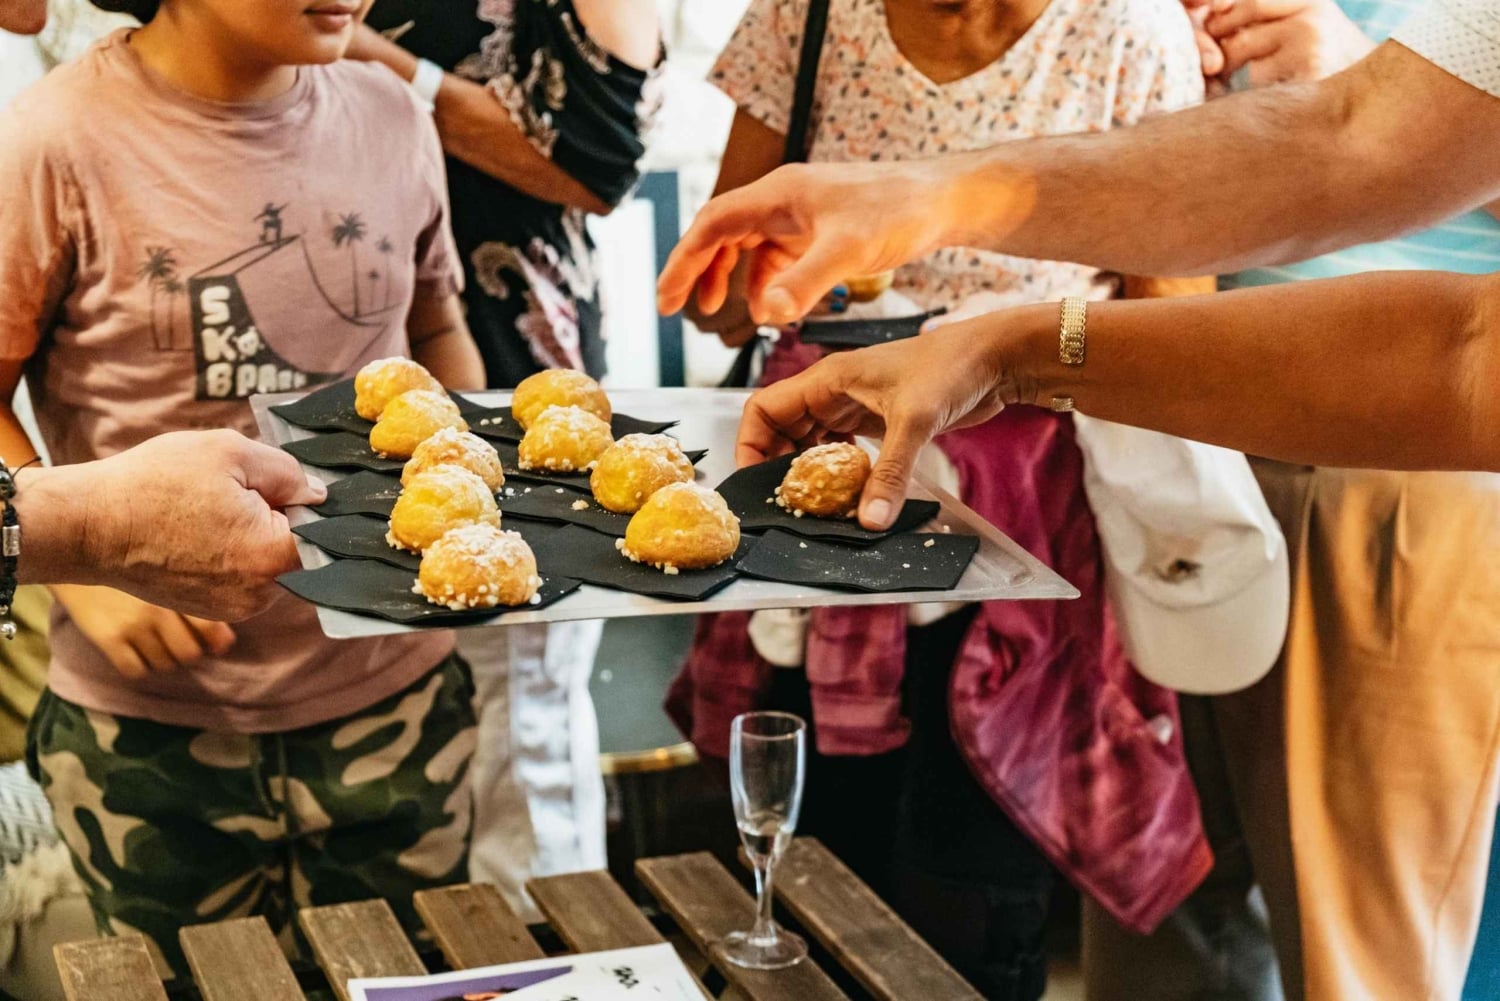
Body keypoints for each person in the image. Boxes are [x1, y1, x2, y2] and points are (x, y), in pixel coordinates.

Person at [656, 1, 1500, 989]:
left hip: (1387, 469)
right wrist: (952, 231)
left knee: (1351, 938)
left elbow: (1454, 339)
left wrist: (1004, 328)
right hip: (1200, 427)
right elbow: (1338, 141)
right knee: (1168, 914)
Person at [668, 2, 1237, 996]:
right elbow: (720, 305)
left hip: (1025, 518)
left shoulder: (1126, 32)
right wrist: (782, 275)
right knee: (808, 851)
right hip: (823, 502)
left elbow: (1178, 327)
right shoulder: (806, 16)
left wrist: (1004, 342)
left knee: (973, 865)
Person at [0, 0, 486, 976]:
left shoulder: (391, 116)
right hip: (150, 729)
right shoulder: (49, 141)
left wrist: (481, 474)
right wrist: (82, 572)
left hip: (398, 702)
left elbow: (436, 336)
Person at [1075, 2, 1500, 999]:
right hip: (1169, 443)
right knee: (1153, 914)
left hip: (1398, 480)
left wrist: (1379, 96)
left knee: (1357, 957)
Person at [341, 0, 661, 916]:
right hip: (333, 375)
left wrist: (360, 54)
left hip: (514, 381)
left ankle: (542, 959)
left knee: (521, 729)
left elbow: (597, 159)